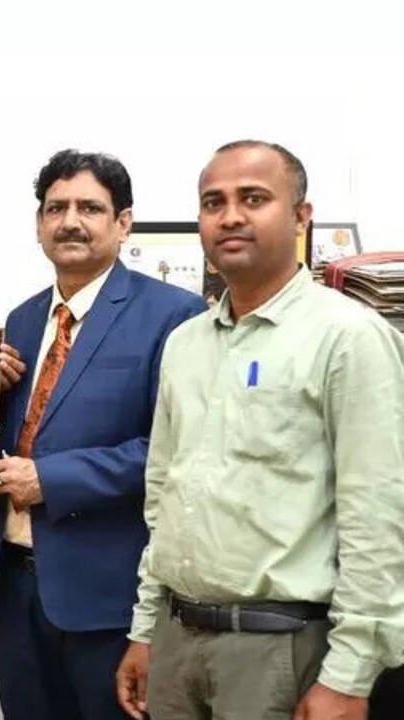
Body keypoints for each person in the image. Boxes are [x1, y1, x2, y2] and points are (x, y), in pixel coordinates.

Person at [116, 140, 404, 720]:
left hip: (281, 648)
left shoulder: (348, 337)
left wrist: (349, 676)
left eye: (253, 199)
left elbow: (377, 514)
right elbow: (163, 499)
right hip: (177, 640)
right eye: (213, 202)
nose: (230, 217)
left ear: (301, 217)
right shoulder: (185, 344)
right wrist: (145, 630)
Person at [0, 150, 202, 720]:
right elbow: (17, 438)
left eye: (89, 208)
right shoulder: (23, 319)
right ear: (38, 224)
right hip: (13, 589)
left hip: (108, 599)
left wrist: (50, 479)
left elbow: (172, 450)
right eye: (56, 208)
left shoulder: (174, 316)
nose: (70, 221)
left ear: (123, 223)